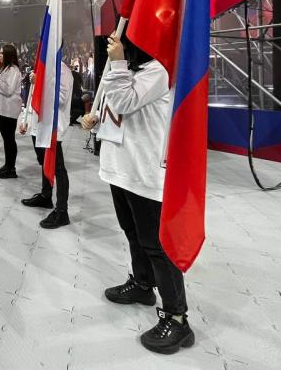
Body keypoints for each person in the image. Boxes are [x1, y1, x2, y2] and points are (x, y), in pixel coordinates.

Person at [81, 32, 194, 354]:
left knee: (157, 246)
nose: (118, 47)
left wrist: (116, 63)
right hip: (121, 169)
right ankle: (143, 284)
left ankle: (177, 317)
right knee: (132, 233)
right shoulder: (131, 73)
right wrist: (97, 118)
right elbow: (120, 111)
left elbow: (127, 101)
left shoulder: (159, 71)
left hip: (143, 172)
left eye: (124, 43)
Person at [18, 62, 74, 229]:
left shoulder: (63, 71)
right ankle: (46, 195)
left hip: (52, 128)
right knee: (44, 163)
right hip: (38, 126)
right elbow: (31, 98)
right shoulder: (42, 69)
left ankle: (62, 211)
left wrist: (41, 82)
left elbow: (61, 99)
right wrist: (25, 120)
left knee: (58, 168)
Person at [0, 44, 22, 179]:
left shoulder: (13, 71)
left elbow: (8, 90)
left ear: (8, 55)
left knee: (10, 139)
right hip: (1, 109)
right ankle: (7, 165)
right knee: (6, 140)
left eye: (2, 53)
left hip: (9, 111)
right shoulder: (2, 70)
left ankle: (11, 169)